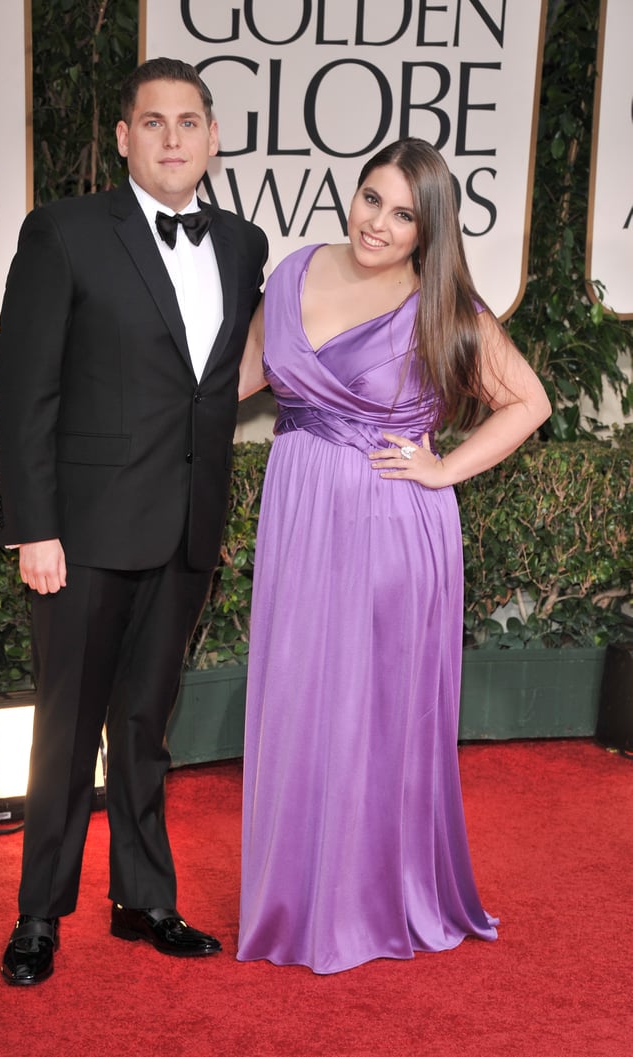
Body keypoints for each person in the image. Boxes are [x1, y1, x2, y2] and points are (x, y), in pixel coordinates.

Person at [236, 138, 551, 974]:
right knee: (300, 699)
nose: (377, 223)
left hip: (391, 523)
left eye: (403, 214)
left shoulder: (441, 307)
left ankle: (372, 900)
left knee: (374, 712)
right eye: (371, 198)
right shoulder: (295, 273)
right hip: (300, 517)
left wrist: (443, 468)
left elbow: (529, 401)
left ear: (427, 229)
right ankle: (299, 899)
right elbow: (236, 378)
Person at [0, 57, 268, 986]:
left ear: (213, 138)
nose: (172, 139)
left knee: (148, 724)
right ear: (123, 137)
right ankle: (39, 914)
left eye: (189, 122)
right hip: (82, 535)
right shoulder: (65, 232)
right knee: (66, 733)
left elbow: (218, 382)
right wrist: (34, 527)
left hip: (186, 529)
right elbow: (26, 392)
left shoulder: (243, 244)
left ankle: (144, 898)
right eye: (153, 122)